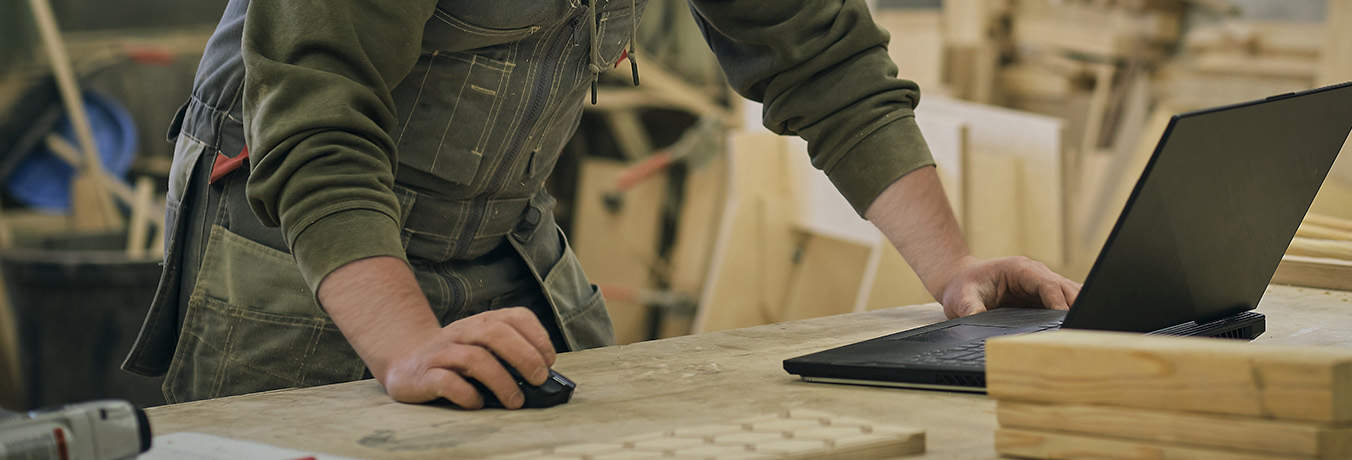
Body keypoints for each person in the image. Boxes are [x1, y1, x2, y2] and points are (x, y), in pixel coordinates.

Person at [124, 0, 1082, 409]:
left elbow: (822, 57)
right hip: (300, 254)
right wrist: (405, 343)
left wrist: (955, 274)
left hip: (498, 230)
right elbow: (318, 121)